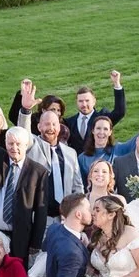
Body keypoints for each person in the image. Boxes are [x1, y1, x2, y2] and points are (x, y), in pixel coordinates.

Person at [0, 126, 49, 265]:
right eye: (10, 143)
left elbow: (40, 211)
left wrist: (35, 243)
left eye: (18, 144)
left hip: (19, 236)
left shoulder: (38, 172)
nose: (14, 147)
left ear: (26, 145)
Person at [18, 97, 84, 226]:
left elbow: (78, 187)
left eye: (54, 124)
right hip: (38, 218)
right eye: (47, 124)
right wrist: (26, 110)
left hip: (65, 219)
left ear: (59, 127)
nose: (51, 128)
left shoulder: (70, 153)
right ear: (39, 127)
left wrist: (75, 212)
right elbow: (23, 134)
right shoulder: (32, 146)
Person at [77, 99, 139, 180]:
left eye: (105, 129)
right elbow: (81, 185)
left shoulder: (119, 149)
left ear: (110, 132)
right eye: (98, 128)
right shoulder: (82, 158)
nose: (101, 132)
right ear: (93, 131)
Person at [65, 71, 127, 153]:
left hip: (100, 161)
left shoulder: (103, 117)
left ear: (94, 101)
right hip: (78, 163)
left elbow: (120, 112)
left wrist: (116, 84)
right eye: (80, 101)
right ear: (76, 102)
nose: (84, 104)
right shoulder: (69, 122)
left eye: (87, 101)